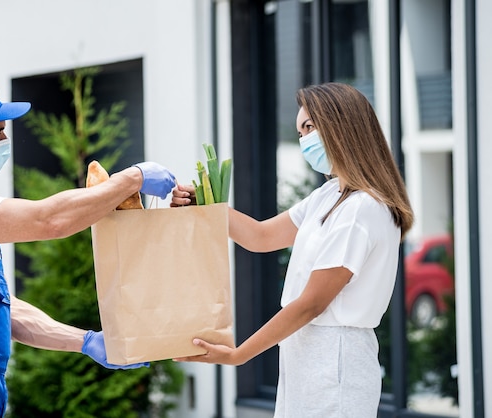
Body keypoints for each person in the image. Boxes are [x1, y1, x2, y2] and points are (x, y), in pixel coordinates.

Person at [0, 80, 176, 418]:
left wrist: (86, 341)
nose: (5, 141)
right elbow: (49, 220)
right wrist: (132, 179)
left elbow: (4, 311)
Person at [172, 82, 414, 417]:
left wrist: (238, 354)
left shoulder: (363, 208)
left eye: (310, 127)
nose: (304, 140)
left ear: (341, 126)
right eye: (300, 131)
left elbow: (311, 304)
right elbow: (260, 236)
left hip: (336, 358)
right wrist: (203, 205)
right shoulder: (330, 195)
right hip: (306, 353)